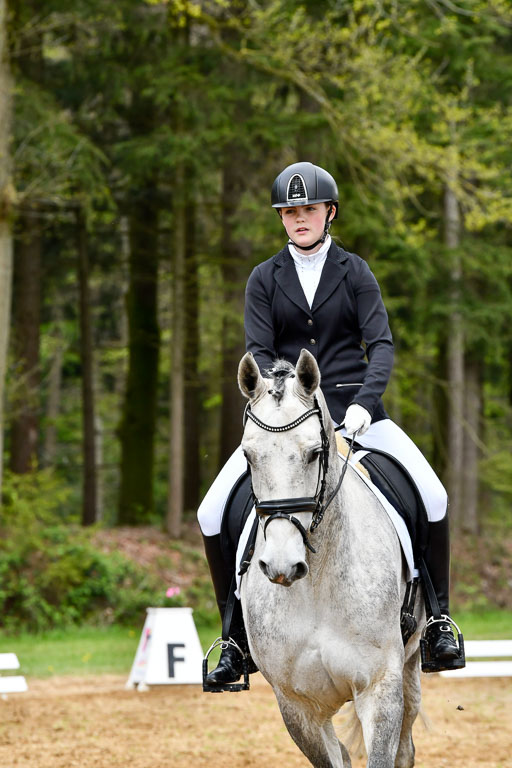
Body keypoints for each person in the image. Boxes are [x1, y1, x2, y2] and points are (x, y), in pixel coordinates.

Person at [198, 161, 464, 686]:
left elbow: (380, 344)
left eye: (309, 209)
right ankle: (234, 638)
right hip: (289, 421)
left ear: (328, 212)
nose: (299, 218)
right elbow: (260, 352)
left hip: (357, 410)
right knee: (211, 512)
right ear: (282, 218)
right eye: (289, 211)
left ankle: (438, 620)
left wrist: (365, 404)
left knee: (433, 496)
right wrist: (283, 407)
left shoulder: (355, 271)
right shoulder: (263, 279)